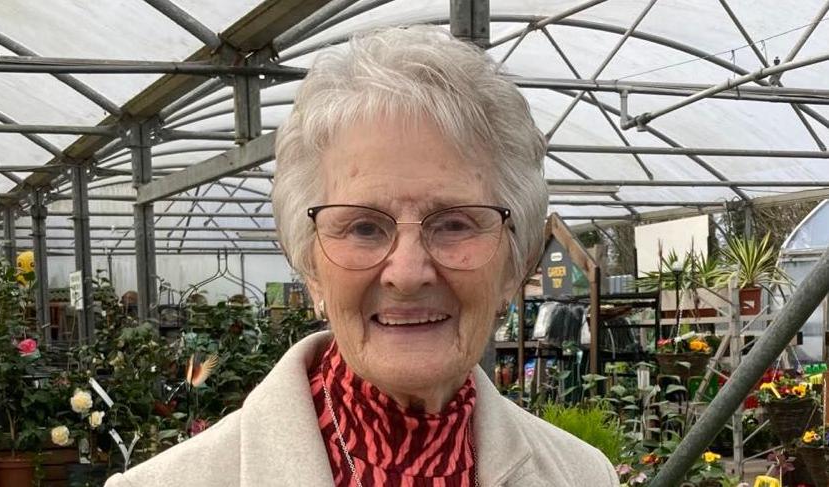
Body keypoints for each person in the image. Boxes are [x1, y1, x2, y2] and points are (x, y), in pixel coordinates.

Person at [105, 25, 617, 486]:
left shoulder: (583, 476)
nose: (408, 273)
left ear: (514, 263)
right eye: (365, 227)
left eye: (455, 223)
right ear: (312, 268)